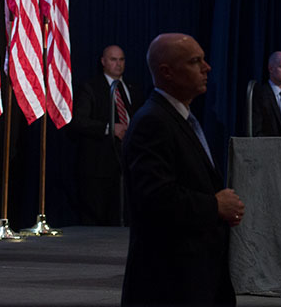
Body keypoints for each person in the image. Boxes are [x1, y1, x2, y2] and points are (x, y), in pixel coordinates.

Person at [121, 33, 245, 306]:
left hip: (194, 278)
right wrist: (215, 206)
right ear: (167, 72)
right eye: (195, 61)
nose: (207, 67)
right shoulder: (152, 123)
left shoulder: (180, 117)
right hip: (168, 285)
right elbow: (155, 199)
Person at [71, 44, 137, 225]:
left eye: (121, 59)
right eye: (113, 59)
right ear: (103, 61)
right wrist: (110, 128)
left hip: (125, 166)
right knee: (96, 218)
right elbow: (79, 121)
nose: (118, 64)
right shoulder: (90, 87)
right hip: (98, 166)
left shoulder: (130, 88)